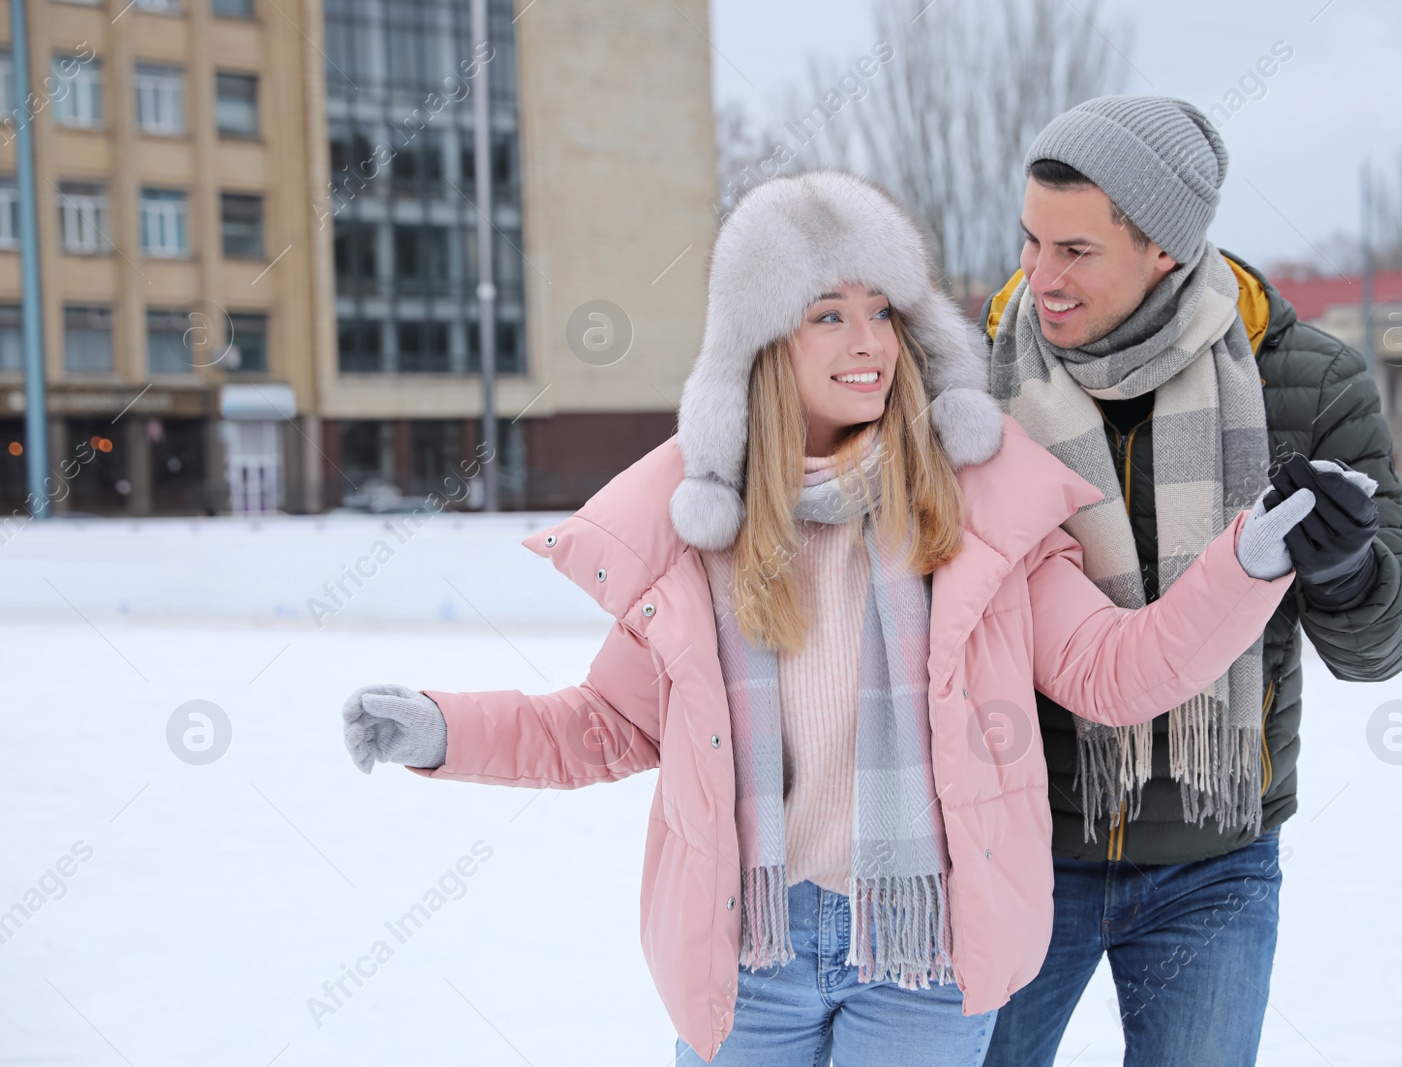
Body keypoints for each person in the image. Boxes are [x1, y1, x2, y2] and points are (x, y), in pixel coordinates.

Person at [338, 172, 1313, 1066]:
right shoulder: (700, 529)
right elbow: (603, 723)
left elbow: (1115, 669)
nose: (869, 342)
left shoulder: (973, 501)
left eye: (884, 311)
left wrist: (1248, 558)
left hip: (918, 955)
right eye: (830, 315)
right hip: (749, 947)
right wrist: (442, 727)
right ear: (762, 340)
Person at [977, 97, 1402, 1067]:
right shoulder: (974, 390)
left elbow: (1385, 645)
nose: (1038, 276)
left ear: (1165, 250)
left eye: (1076, 250)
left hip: (1214, 863)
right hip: (1013, 850)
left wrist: (1351, 573)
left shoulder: (1302, 383)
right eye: (1030, 240)